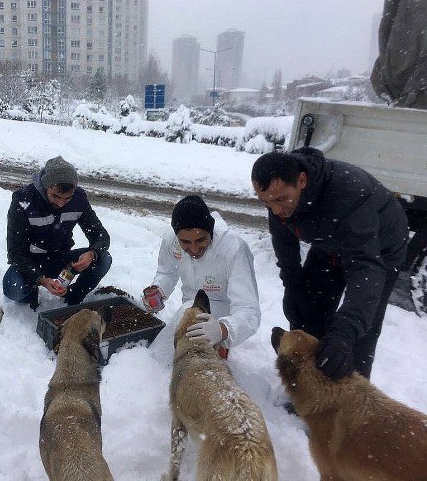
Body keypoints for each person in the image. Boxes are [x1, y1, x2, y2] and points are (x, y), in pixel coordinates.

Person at [251, 148, 409, 380]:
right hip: (329, 244)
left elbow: (366, 266)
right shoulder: (278, 198)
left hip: (380, 250)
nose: (275, 210)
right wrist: (293, 284)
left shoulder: (347, 194)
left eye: (281, 200)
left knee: (359, 331)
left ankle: (350, 398)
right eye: (266, 203)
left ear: (301, 181)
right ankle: (307, 385)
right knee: (308, 307)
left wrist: (344, 333)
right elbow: (284, 240)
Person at [145, 195, 261, 362]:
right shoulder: (171, 239)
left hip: (219, 314)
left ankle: (221, 346)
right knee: (158, 358)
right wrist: (159, 289)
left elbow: (249, 310)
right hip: (187, 310)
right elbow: (167, 272)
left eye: (201, 240)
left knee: (190, 363)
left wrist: (223, 329)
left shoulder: (233, 248)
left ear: (210, 230)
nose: (194, 249)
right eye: (185, 242)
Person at [3, 156, 112, 309]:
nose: (61, 203)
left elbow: (100, 234)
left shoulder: (79, 198)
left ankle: (71, 298)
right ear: (45, 186)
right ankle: (31, 295)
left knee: (103, 258)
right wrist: (40, 279)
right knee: (13, 289)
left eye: (67, 198)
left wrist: (92, 254)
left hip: (61, 259)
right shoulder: (23, 200)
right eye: (55, 196)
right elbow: (15, 252)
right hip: (30, 261)